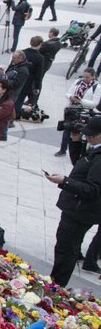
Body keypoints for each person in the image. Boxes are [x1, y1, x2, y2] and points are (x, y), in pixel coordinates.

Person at [45, 116, 101, 287]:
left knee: (66, 250)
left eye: (92, 135)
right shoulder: (95, 150)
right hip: (75, 208)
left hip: (81, 212)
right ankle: (54, 283)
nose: (88, 137)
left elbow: (93, 189)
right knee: (65, 247)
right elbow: (80, 166)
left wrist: (65, 181)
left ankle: (56, 287)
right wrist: (75, 143)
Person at [55, 68, 100, 156]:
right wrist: (71, 97)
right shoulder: (78, 81)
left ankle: (80, 152)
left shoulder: (97, 87)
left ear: (93, 77)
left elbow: (95, 103)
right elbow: (68, 93)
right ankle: (63, 149)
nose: (85, 79)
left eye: (87, 77)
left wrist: (80, 101)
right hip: (71, 110)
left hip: (83, 112)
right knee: (67, 129)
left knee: (81, 133)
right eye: (84, 76)